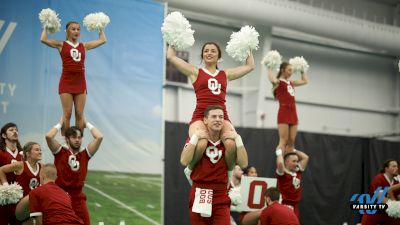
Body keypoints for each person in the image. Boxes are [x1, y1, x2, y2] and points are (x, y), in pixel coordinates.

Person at [167, 43, 254, 170]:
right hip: (200, 116)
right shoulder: (195, 71)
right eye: (206, 51)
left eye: (213, 51)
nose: (209, 53)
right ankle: (190, 169)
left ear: (219, 56)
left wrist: (248, 46)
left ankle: (229, 172)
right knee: (201, 143)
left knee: (230, 143)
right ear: (202, 55)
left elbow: (250, 66)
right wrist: (173, 39)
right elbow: (171, 57)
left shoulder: (226, 74)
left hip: (221, 116)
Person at [180, 105, 248, 225]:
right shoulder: (197, 138)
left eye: (221, 117)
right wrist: (195, 138)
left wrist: (238, 139)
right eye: (214, 116)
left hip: (220, 193)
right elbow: (183, 161)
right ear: (205, 120)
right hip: (200, 191)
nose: (218, 119)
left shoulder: (229, 141)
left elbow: (244, 163)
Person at [40, 21, 106, 135]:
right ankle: (65, 143)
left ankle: (77, 141)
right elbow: (43, 39)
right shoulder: (61, 44)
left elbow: (102, 40)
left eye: (78, 29)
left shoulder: (84, 46)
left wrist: (100, 27)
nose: (76, 31)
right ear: (67, 31)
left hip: (80, 83)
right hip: (66, 82)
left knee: (80, 114)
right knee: (67, 113)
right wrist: (46, 25)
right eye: (73, 29)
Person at [45, 118, 103, 225]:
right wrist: (60, 124)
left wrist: (86, 123)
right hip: (60, 196)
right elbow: (48, 136)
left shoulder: (85, 154)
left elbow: (99, 137)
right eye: (74, 137)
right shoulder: (60, 152)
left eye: (79, 137)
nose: (77, 140)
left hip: (78, 198)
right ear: (67, 139)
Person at [267, 63, 308, 153]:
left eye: (292, 70)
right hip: (284, 112)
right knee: (283, 140)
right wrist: (269, 67)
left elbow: (305, 81)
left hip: (293, 113)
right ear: (282, 70)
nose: (291, 72)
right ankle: (279, 161)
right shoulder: (278, 82)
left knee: (291, 141)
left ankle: (288, 164)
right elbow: (271, 79)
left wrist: (302, 70)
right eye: (289, 70)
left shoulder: (291, 83)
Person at [0, 142, 42, 224]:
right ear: (28, 153)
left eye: (40, 150)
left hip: (34, 206)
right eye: (37, 150)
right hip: (20, 206)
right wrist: (6, 185)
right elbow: (1, 170)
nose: (40, 152)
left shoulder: (42, 167)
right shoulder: (20, 165)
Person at [361, 159, 400, 225]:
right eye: (393, 166)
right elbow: (380, 198)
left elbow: (397, 197)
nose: (396, 168)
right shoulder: (379, 179)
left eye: (397, 166)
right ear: (386, 169)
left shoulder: (396, 182)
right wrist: (396, 205)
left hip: (387, 213)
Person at [0, 122, 23, 225]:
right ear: (4, 135)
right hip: (3, 199)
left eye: (16, 130)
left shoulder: (24, 154)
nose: (15, 132)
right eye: (11, 130)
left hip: (20, 199)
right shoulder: (0, 153)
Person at [276, 149, 309, 218]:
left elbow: (306, 157)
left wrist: (293, 150)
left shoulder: (298, 171)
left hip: (295, 205)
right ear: (287, 162)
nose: (296, 163)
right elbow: (280, 163)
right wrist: (279, 153)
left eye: (297, 161)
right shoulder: (282, 173)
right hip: (284, 203)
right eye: (294, 161)